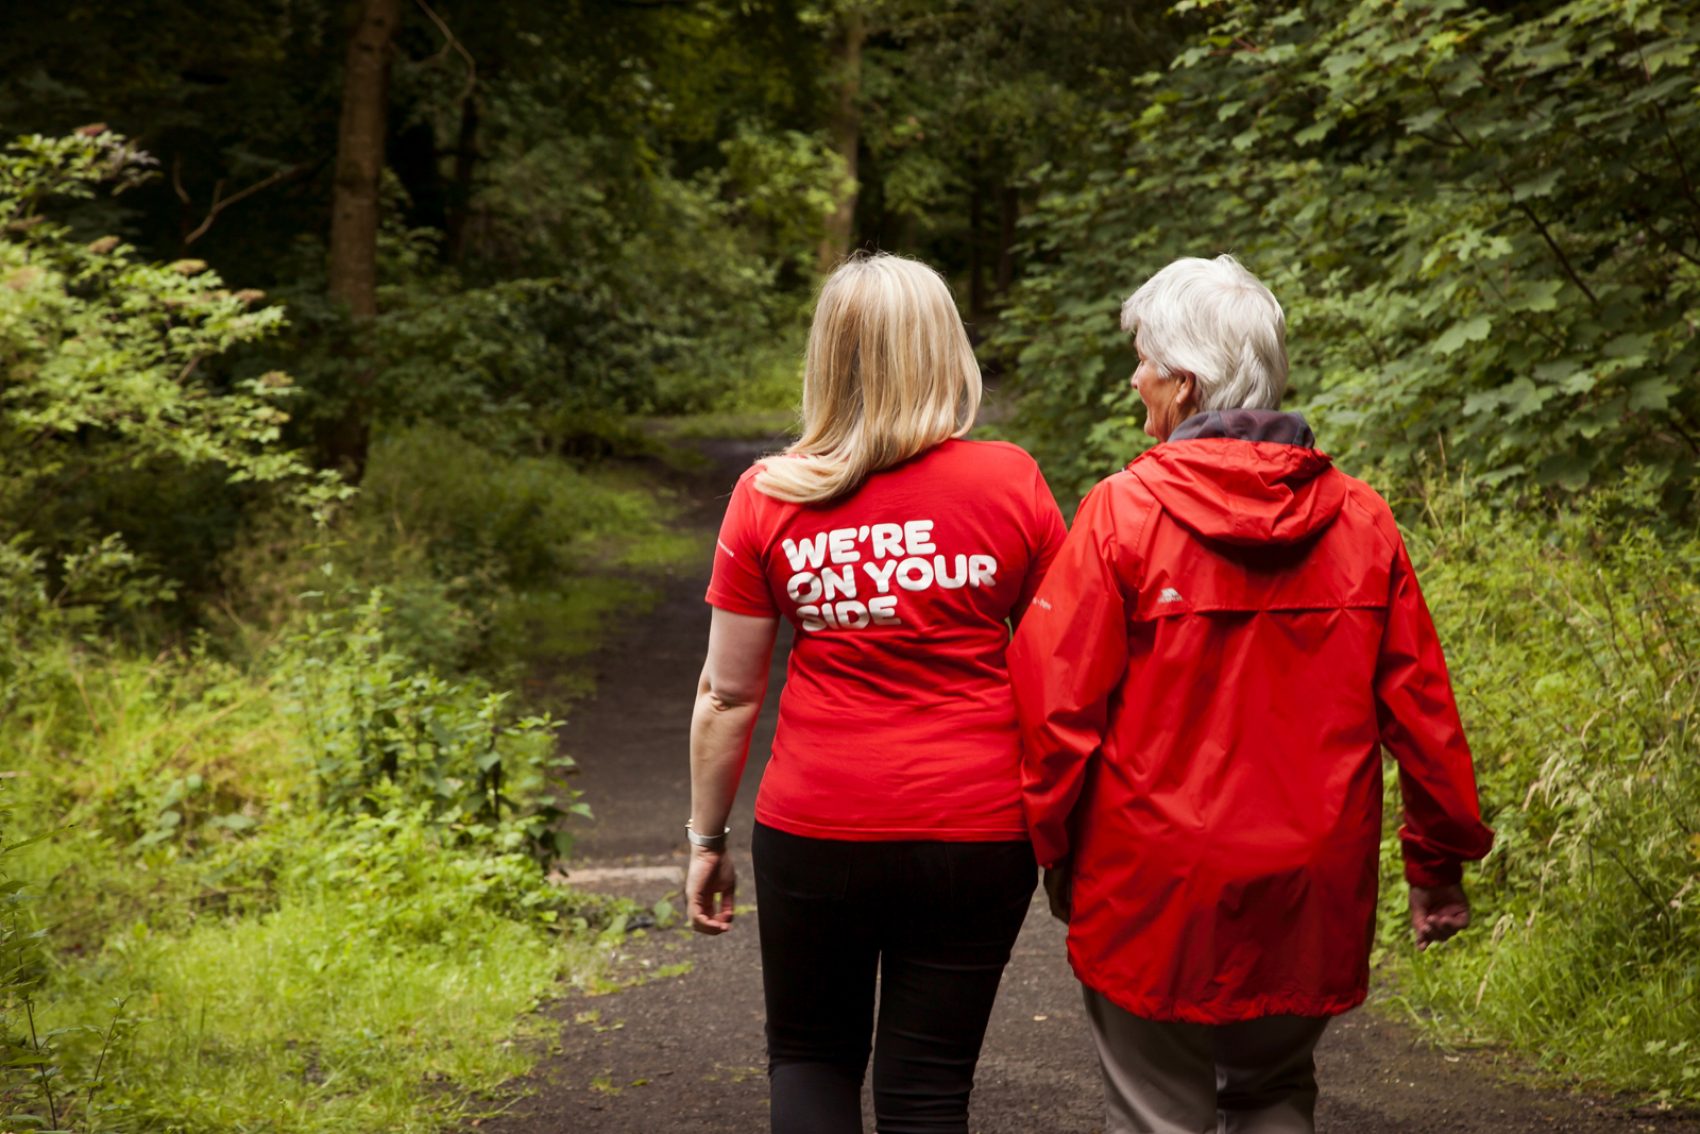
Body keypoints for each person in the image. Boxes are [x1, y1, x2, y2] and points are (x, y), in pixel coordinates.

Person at [1008, 254, 1495, 1134]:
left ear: (1184, 384)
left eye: (1146, 362)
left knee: (1157, 1112)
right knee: (1274, 1092)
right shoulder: (1361, 519)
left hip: (1151, 884)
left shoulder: (1122, 515)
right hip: (1309, 882)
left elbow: (1055, 711)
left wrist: (1049, 851)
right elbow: (1424, 716)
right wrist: (1438, 864)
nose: (1135, 377)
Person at [685, 252, 1067, 1134]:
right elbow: (1062, 674)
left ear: (829, 357)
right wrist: (1069, 835)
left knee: (811, 1059)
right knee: (930, 1089)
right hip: (976, 832)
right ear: (945, 351)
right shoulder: (1012, 482)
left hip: (816, 826)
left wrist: (708, 837)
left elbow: (726, 695)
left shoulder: (769, 495)